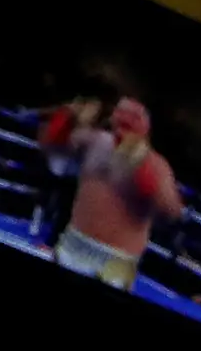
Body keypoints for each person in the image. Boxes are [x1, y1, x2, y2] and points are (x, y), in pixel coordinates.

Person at [39, 95, 185, 290]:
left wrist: (149, 182)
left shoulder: (156, 165)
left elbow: (173, 212)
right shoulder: (94, 140)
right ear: (113, 116)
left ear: (146, 125)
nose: (126, 117)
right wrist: (64, 121)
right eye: (122, 111)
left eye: (134, 114)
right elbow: (53, 153)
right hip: (73, 242)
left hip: (115, 260)